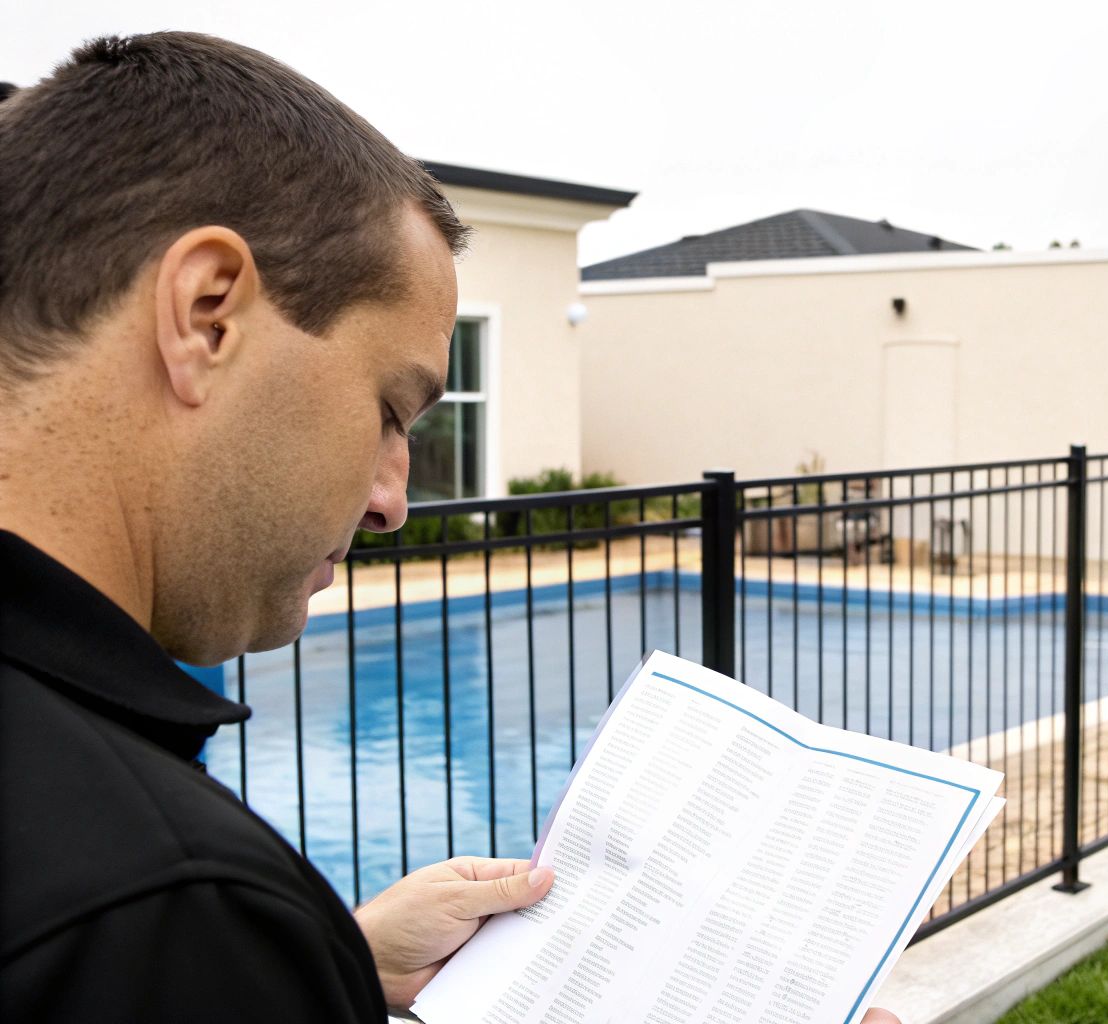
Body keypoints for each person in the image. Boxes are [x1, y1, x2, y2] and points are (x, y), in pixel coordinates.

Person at [0, 32, 899, 1023]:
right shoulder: (169, 907)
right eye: (391, 409)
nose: (391, 499)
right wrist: (261, 949)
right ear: (209, 314)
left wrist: (331, 958)